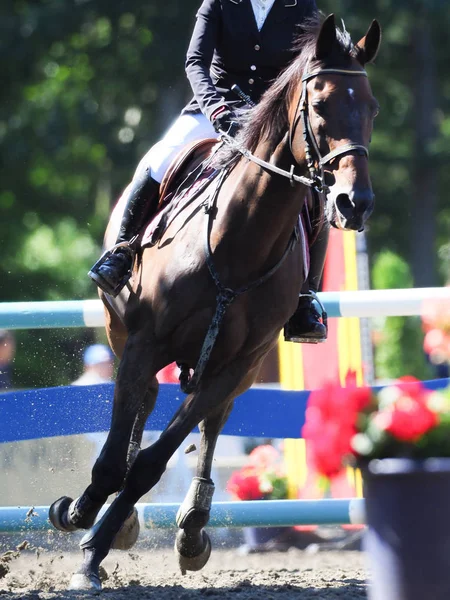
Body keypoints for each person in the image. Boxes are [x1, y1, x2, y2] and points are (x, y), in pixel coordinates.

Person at [89, 0, 327, 343]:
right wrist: (216, 108)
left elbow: (313, 65)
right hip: (214, 110)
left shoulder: (301, 6)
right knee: (157, 161)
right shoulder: (219, 2)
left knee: (314, 187)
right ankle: (122, 253)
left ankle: (306, 297)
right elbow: (195, 62)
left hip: (273, 121)